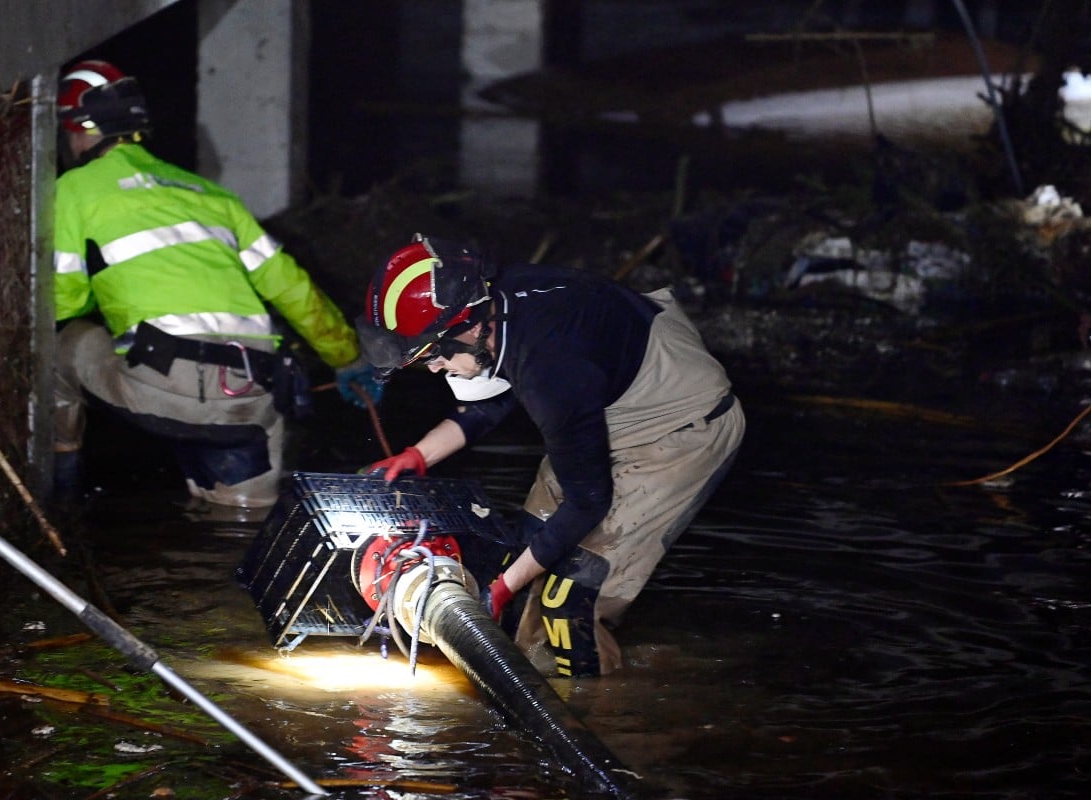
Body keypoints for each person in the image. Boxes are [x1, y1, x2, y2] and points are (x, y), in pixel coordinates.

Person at [358, 234, 745, 677]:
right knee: (521, 558)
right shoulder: (493, 308)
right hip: (609, 395)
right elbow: (494, 397)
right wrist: (418, 455)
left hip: (680, 425)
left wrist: (500, 589)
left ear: (466, 327)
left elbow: (588, 501)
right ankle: (532, 679)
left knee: (567, 603)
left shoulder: (550, 368)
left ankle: (599, 714)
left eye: (431, 355)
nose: (432, 368)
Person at [52, 60, 380, 509]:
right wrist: (346, 358)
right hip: (254, 391)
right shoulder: (213, 195)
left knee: (60, 344)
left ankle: (58, 495)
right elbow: (292, 289)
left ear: (78, 131)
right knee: (241, 524)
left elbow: (64, 299)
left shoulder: (75, 188)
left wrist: (107, 294)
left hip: (164, 384)